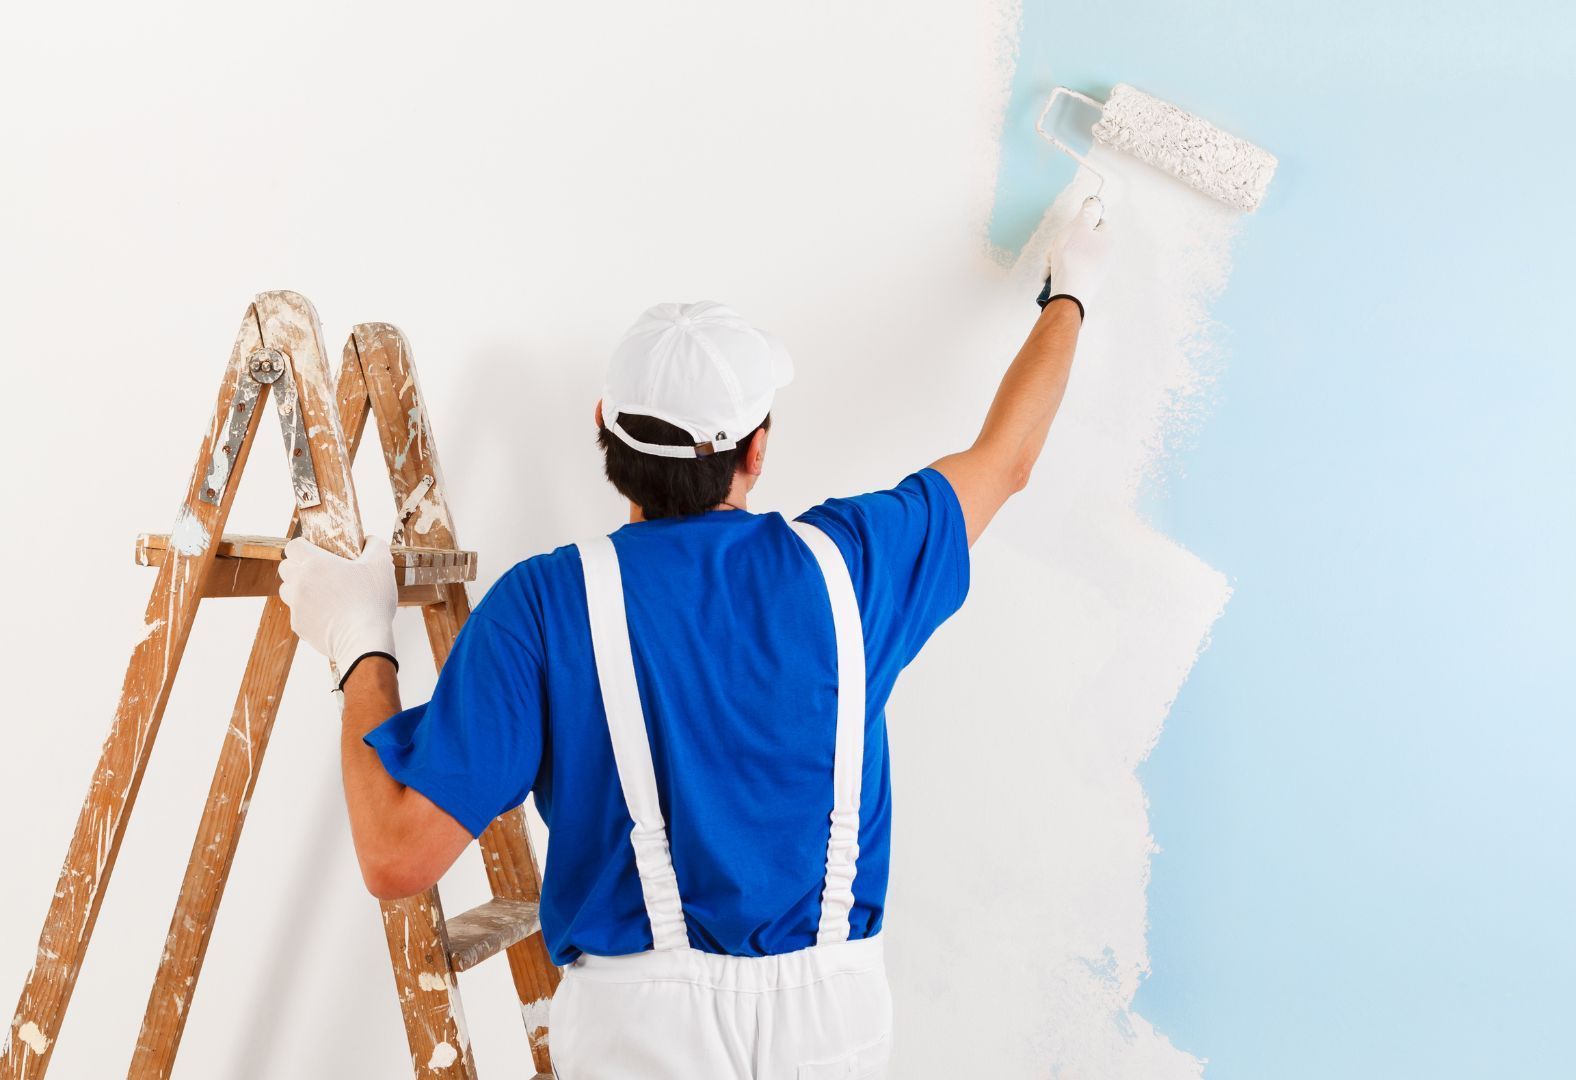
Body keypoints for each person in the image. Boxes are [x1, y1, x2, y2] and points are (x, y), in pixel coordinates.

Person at [276, 200, 1114, 1079]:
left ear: (603, 426)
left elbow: (399, 855)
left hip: (639, 1035)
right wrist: (1071, 292)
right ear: (756, 450)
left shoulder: (546, 605)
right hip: (837, 1026)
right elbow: (1008, 456)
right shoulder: (855, 564)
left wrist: (360, 640)